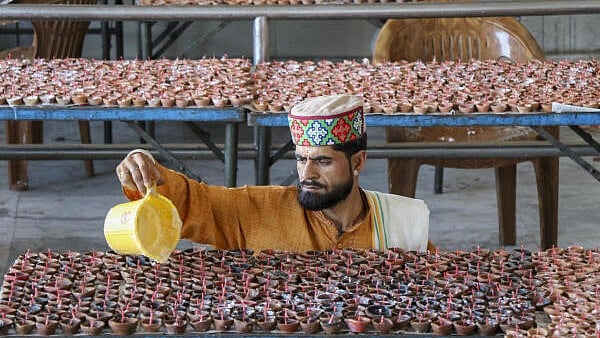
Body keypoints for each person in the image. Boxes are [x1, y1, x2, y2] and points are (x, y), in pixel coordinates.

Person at [116, 94, 432, 253]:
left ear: (358, 162)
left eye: (322, 162)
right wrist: (147, 171)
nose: (306, 174)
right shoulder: (259, 210)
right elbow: (192, 203)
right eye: (300, 159)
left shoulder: (401, 223)